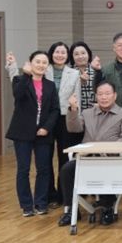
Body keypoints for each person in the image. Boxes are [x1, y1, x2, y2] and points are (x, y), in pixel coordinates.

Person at [57, 81, 122, 226]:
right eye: (100, 94)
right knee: (67, 170)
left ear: (115, 95)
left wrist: (106, 150)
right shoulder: (87, 113)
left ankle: (107, 208)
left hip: (111, 159)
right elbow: (74, 128)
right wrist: (73, 109)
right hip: (87, 159)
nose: (103, 97)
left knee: (103, 169)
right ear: (96, 96)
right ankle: (71, 210)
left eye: (107, 94)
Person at [4, 51, 60, 216]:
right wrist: (26, 75)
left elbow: (55, 109)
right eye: (38, 61)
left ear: (47, 66)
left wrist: (47, 128)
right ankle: (27, 205)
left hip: (43, 133)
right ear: (30, 63)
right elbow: (18, 95)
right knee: (23, 169)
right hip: (22, 132)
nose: (41, 65)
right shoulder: (20, 80)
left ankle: (41, 203)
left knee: (44, 169)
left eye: (44, 62)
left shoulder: (50, 85)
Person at [45, 41, 81, 205]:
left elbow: (76, 98)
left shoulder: (74, 73)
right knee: (45, 157)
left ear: (68, 56)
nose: (60, 55)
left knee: (64, 157)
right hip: (46, 118)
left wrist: (75, 117)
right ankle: (49, 195)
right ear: (51, 53)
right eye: (57, 52)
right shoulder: (44, 70)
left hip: (65, 118)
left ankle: (62, 194)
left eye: (63, 52)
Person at [69, 41, 100, 111]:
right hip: (75, 113)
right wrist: (79, 82)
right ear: (72, 57)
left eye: (83, 53)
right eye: (76, 54)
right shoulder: (69, 73)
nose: (80, 56)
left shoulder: (97, 71)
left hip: (95, 113)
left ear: (88, 54)